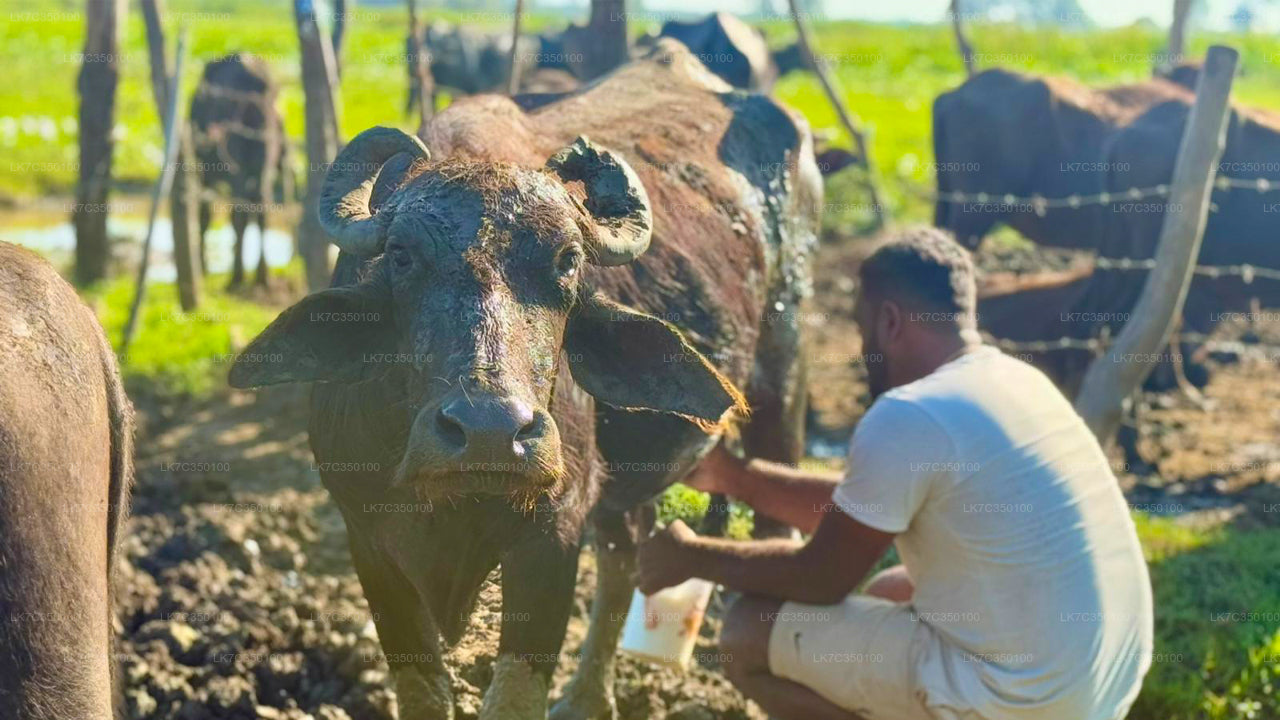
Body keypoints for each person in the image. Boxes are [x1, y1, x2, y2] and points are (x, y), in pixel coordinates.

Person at [636, 227, 1153, 720]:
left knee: (748, 630)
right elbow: (862, 509)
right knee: (890, 589)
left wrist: (691, 557)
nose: (863, 354)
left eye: (862, 331)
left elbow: (820, 576)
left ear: (889, 322)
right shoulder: (1014, 380)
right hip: (1101, 686)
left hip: (1020, 701)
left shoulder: (908, 413)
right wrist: (735, 478)